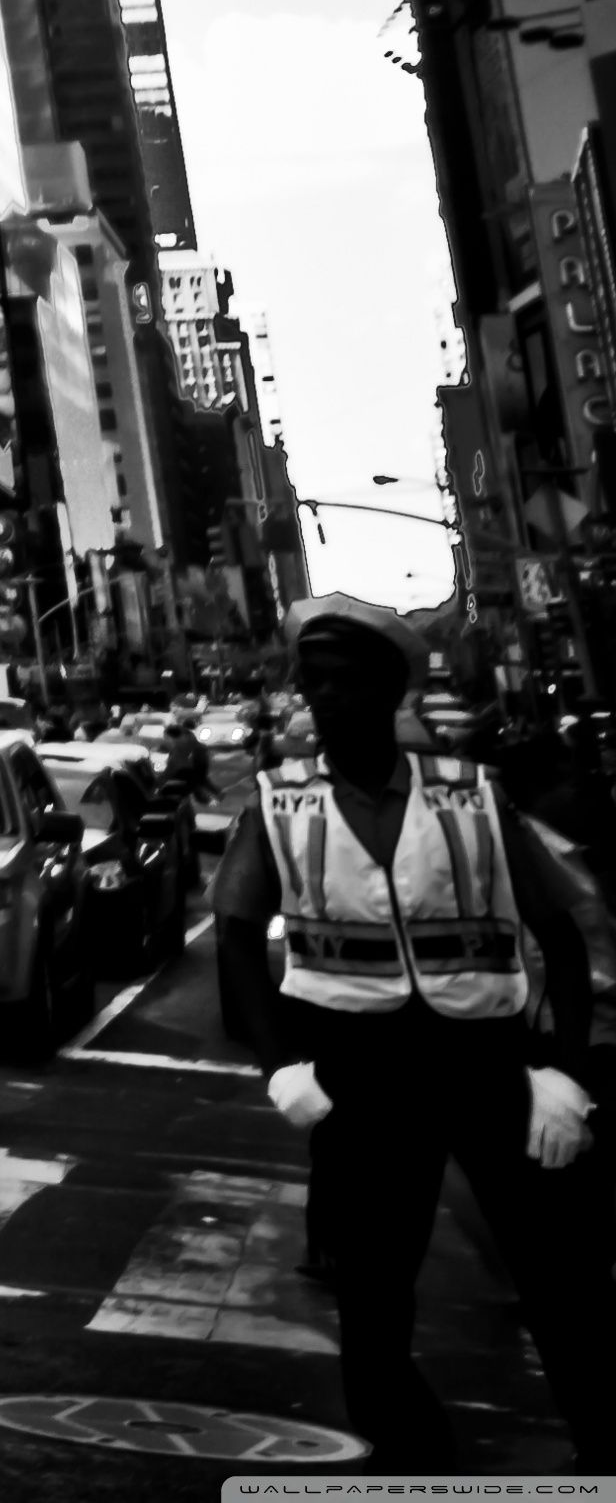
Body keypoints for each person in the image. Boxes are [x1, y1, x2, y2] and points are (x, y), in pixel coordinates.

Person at [217, 592, 616, 1466]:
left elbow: (565, 929)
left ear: (387, 689)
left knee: (566, 1293)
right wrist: (281, 1065)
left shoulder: (473, 800)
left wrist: (567, 1074)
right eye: (308, 679)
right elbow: (237, 934)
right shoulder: (280, 804)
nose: (317, 695)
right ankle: (422, 1469)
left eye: (338, 680)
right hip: (361, 1076)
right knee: (372, 1308)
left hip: (486, 1064)